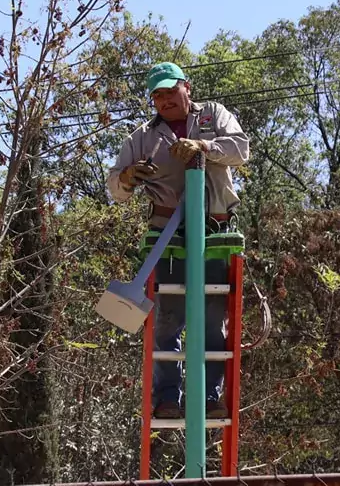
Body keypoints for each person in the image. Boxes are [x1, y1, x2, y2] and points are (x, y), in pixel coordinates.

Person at [107, 61, 250, 419]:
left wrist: (203, 146)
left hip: (214, 231)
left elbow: (240, 148)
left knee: (212, 316)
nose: (164, 100)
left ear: (187, 88)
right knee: (167, 318)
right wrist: (128, 176)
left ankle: (208, 396)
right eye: (157, 95)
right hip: (166, 237)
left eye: (170, 91)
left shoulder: (214, 115)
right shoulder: (142, 136)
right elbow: (115, 190)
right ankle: (168, 397)